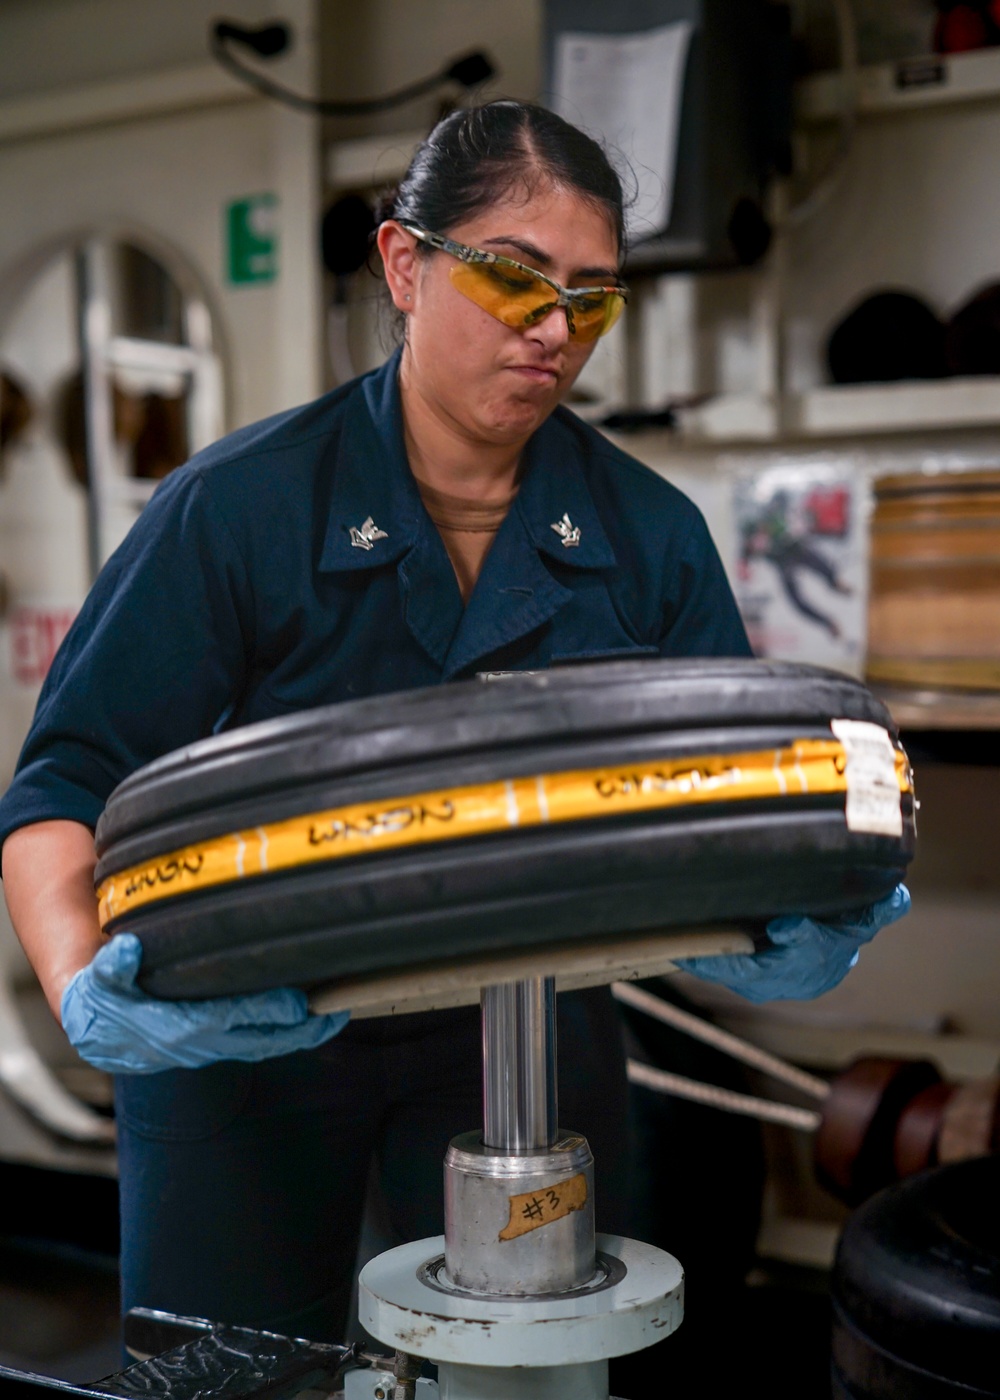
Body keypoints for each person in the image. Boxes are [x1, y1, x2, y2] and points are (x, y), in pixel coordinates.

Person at [0, 101, 907, 1342]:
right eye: (515, 278)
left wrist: (785, 908)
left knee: (530, 1359)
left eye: (591, 296)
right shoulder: (234, 512)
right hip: (250, 1029)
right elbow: (61, 784)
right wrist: (81, 991)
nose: (554, 328)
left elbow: (727, 798)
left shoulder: (647, 538)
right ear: (404, 265)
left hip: (528, 1026)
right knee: (231, 1371)